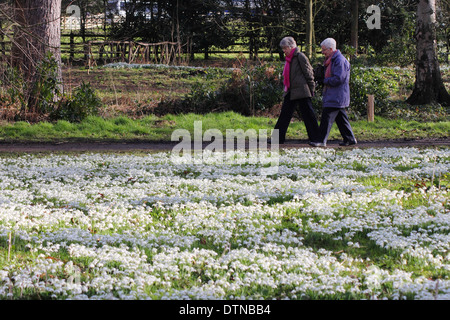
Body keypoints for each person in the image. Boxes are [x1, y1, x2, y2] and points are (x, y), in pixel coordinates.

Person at [310, 38, 357, 147]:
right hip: (335, 94)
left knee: (327, 117)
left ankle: (321, 140)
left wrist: (324, 80)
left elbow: (339, 79)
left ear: (331, 49)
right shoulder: (332, 60)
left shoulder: (339, 61)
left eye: (324, 50)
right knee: (341, 118)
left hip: (337, 95)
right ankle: (349, 138)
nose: (322, 52)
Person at [272, 36, 319, 144]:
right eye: (283, 48)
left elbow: (309, 73)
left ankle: (316, 138)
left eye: (285, 48)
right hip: (291, 90)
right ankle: (277, 139)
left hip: (302, 91)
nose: (284, 51)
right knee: (284, 114)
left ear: (291, 46)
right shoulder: (289, 58)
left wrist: (311, 89)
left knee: (309, 116)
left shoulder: (300, 56)